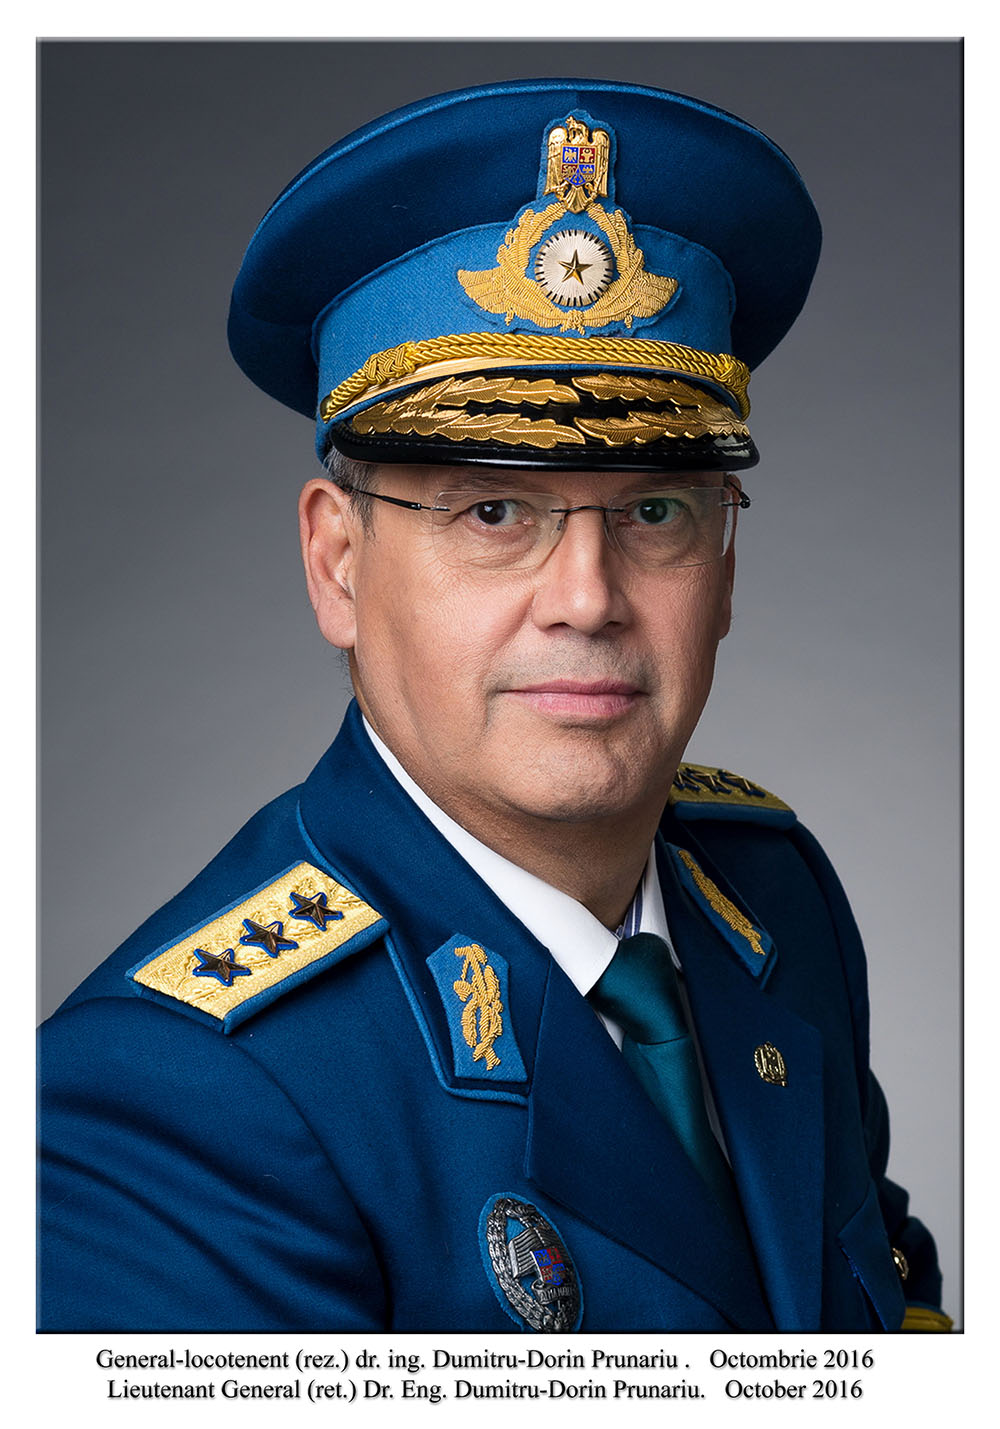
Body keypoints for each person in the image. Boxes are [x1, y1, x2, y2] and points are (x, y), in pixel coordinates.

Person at [38, 76, 949, 1334]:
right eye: (493, 510)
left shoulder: (774, 899)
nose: (587, 598)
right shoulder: (175, 1095)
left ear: (726, 565)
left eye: (654, 510)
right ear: (338, 564)